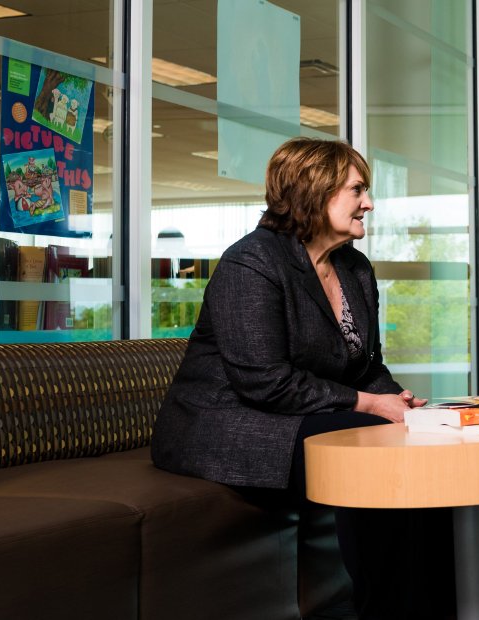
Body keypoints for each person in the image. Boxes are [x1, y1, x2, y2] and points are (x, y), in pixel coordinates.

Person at [151, 137, 456, 619]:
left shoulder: (354, 267)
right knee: (373, 450)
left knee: (417, 442)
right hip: (228, 424)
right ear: (316, 191)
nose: (369, 204)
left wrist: (395, 399)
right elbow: (263, 381)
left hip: (298, 417)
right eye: (357, 191)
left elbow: (366, 365)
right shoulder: (250, 262)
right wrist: (370, 406)